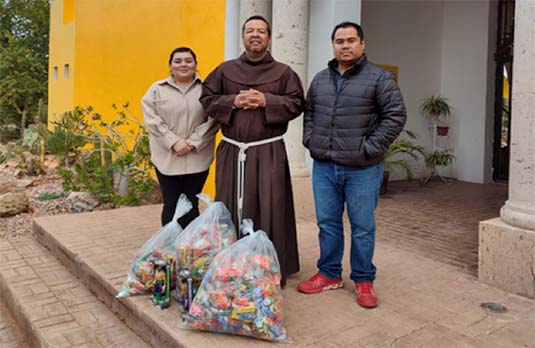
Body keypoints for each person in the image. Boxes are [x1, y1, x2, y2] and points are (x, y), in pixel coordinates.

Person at [298, 21, 407, 308]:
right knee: (328, 224)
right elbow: (309, 114)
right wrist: (311, 140)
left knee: (362, 227)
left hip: (362, 168)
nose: (345, 45)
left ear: (362, 44)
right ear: (333, 44)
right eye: (339, 41)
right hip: (324, 166)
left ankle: (363, 280)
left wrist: (369, 148)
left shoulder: (379, 78)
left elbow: (395, 116)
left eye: (350, 40)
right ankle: (329, 274)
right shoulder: (320, 79)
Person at [200, 15, 305, 288]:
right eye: (250, 31)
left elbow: (296, 103)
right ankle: (228, 264)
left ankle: (270, 265)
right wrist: (233, 100)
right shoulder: (224, 70)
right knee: (230, 204)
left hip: (268, 152)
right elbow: (207, 99)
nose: (255, 35)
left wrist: (265, 100)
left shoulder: (284, 73)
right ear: (243, 37)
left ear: (269, 38)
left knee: (272, 205)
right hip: (233, 151)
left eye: (261, 31)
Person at [142, 47, 218, 228]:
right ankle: (169, 246)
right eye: (178, 61)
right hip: (167, 157)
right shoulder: (156, 90)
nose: (183, 64)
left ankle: (190, 246)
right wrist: (173, 142)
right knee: (171, 203)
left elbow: (214, 119)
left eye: (188, 60)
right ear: (170, 66)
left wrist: (192, 143)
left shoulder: (207, 90)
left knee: (192, 203)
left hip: (197, 156)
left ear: (195, 64)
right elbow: (152, 119)